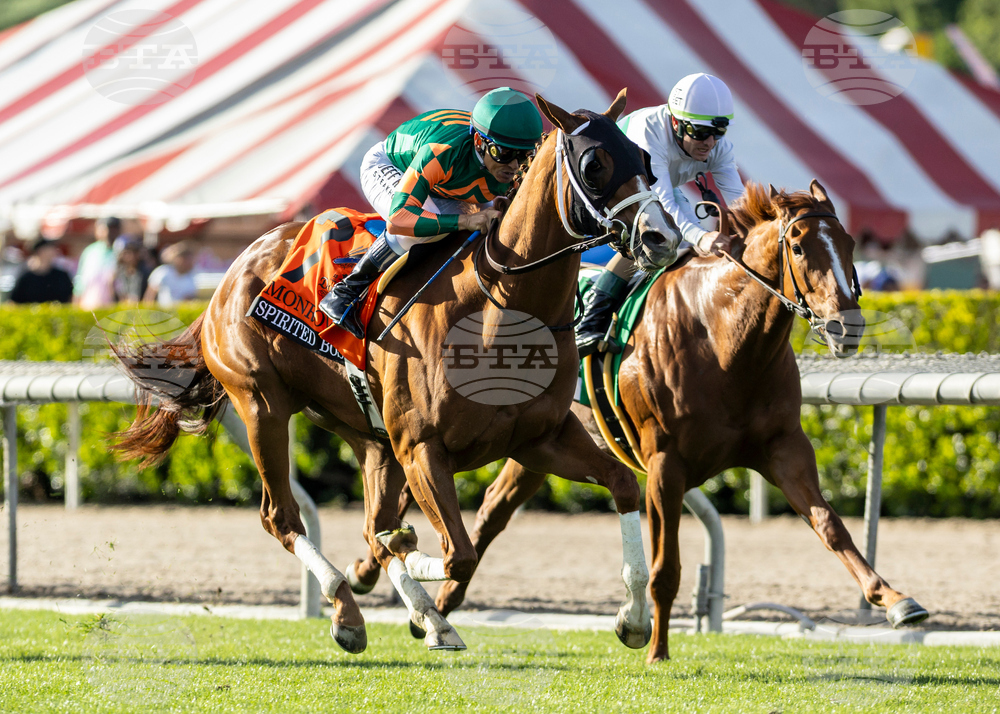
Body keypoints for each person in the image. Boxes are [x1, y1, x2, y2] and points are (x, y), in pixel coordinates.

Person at [318, 87, 544, 338]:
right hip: (390, 166)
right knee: (422, 232)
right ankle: (345, 292)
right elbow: (399, 219)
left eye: (524, 156)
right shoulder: (443, 149)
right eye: (504, 153)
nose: (513, 165)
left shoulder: (515, 165)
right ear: (479, 142)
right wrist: (466, 220)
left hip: (446, 186)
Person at [575, 73, 746, 357]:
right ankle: (591, 319)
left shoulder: (717, 146)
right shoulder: (649, 132)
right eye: (701, 133)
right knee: (654, 239)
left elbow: (742, 204)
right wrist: (703, 238)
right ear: (675, 122)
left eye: (719, 132)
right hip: (613, 190)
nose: (710, 143)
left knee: (680, 240)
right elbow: (664, 202)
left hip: (655, 189)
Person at [74, 216, 121, 309]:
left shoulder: (123, 252)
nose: (108, 233)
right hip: (89, 305)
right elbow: (80, 282)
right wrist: (76, 303)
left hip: (114, 307)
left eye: (112, 229)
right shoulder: (90, 252)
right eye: (105, 229)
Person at [9, 237, 73, 304]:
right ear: (39, 251)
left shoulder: (61, 276)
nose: (53, 251)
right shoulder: (26, 278)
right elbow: (14, 302)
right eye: (49, 249)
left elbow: (70, 299)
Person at [144, 241, 198, 306]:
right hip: (161, 313)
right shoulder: (163, 272)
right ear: (179, 259)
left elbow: (188, 301)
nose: (190, 262)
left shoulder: (191, 277)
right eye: (187, 259)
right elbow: (150, 296)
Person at [112, 236, 151, 304]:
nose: (130, 256)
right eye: (126, 253)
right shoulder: (119, 274)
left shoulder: (145, 273)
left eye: (133, 252)